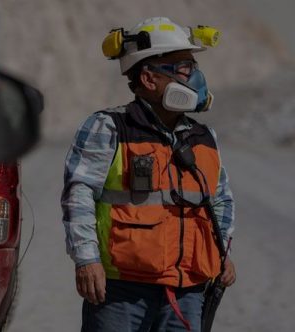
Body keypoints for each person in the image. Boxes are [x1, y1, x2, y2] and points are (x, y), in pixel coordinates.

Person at [61, 17, 236, 331]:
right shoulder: (108, 127)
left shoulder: (204, 137)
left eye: (193, 67)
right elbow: (79, 194)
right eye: (184, 68)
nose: (195, 77)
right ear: (149, 78)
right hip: (122, 293)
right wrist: (87, 260)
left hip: (187, 292)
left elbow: (220, 201)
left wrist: (222, 254)